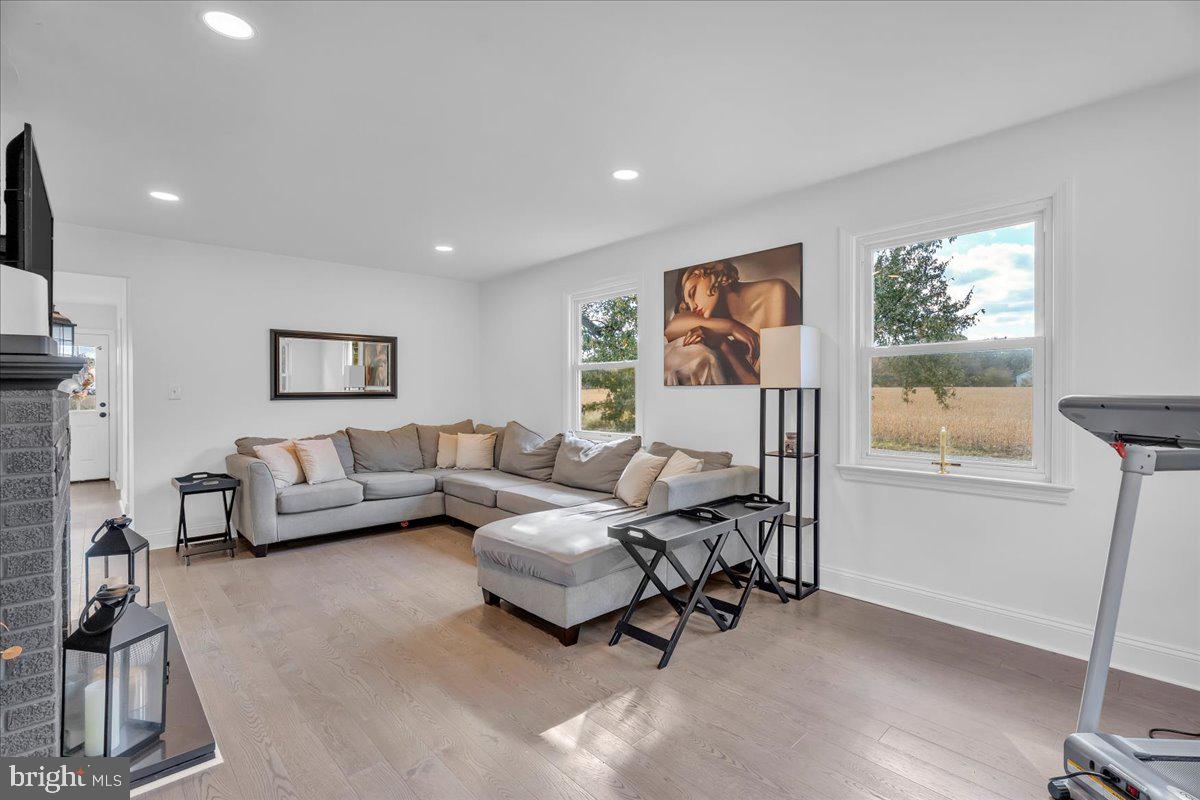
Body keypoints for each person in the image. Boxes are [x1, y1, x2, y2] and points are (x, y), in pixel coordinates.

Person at [664, 259, 801, 385]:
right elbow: (671, 330)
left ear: (708, 272)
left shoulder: (776, 293)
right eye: (688, 305)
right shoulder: (715, 319)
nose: (693, 307)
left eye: (692, 293)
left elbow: (773, 384)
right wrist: (728, 333)